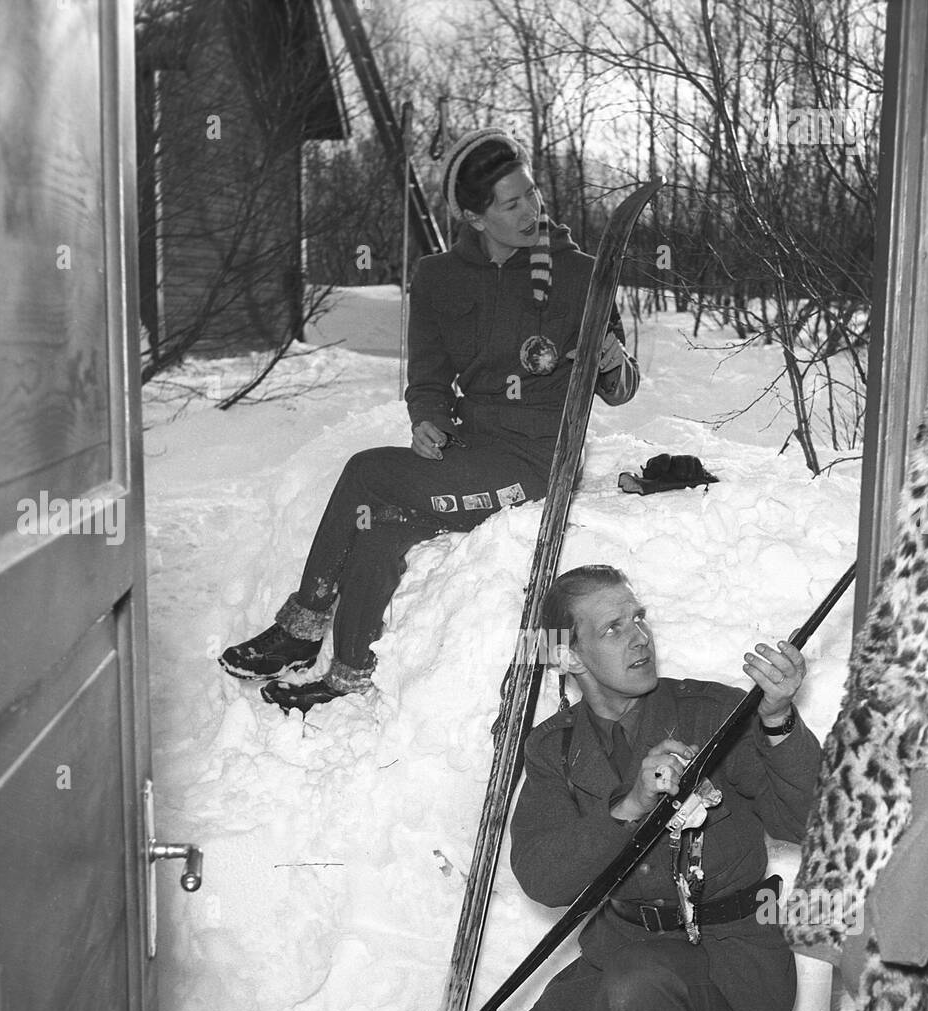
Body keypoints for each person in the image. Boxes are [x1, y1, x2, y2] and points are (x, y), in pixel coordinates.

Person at [452, 565, 822, 1011]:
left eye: (639, 617)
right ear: (568, 654)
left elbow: (805, 822)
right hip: (624, 957)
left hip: (730, 962)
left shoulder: (712, 711)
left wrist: (777, 720)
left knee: (634, 991)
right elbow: (545, 875)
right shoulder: (554, 749)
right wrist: (626, 807)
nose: (639, 638)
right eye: (613, 627)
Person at [219, 129, 640, 710]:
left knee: (366, 472)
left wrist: (614, 362)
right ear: (473, 215)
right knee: (375, 524)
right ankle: (347, 674)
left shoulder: (580, 274)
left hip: (536, 466)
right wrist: (427, 418)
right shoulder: (439, 278)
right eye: (511, 203)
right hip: (469, 454)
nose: (532, 211)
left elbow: (620, 391)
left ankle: (300, 626)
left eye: (532, 195)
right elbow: (429, 377)